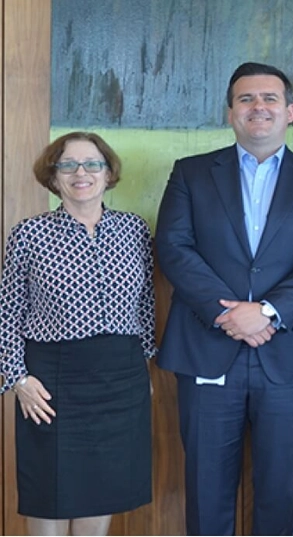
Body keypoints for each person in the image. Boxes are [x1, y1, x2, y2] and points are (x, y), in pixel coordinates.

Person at [155, 62, 293, 535]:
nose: (257, 107)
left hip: (289, 354)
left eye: (268, 99)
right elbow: (173, 248)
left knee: (281, 491)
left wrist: (264, 311)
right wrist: (230, 315)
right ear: (230, 113)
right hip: (206, 346)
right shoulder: (191, 174)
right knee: (205, 490)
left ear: (290, 111)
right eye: (246, 99)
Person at [0, 132, 154, 536]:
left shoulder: (133, 231)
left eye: (92, 164)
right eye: (68, 165)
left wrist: (144, 368)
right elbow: (7, 311)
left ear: (108, 174)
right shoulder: (29, 234)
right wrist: (17, 378)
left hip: (121, 378)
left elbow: (146, 305)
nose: (80, 173)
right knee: (50, 491)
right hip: (52, 380)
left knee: (102, 490)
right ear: (53, 177)